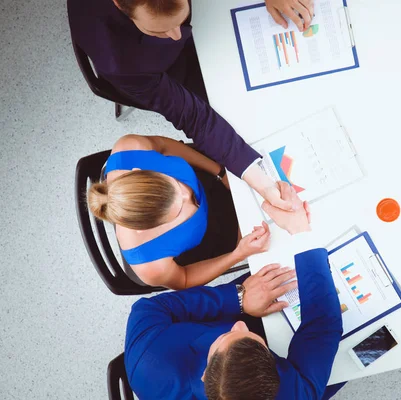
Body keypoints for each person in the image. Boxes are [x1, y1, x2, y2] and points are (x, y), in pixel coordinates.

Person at [67, 0, 314, 219]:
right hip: (162, 70)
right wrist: (264, 186)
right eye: (159, 29)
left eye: (178, 21)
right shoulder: (119, 61)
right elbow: (195, 118)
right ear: (120, 5)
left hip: (209, 21)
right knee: (246, 114)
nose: (177, 35)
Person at [124, 182, 345, 400]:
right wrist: (301, 232)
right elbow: (323, 325)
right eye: (247, 335)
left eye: (226, 336)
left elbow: (151, 308)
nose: (240, 324)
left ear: (204, 375)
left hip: (224, 307)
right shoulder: (288, 395)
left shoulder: (147, 356)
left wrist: (238, 300)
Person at [87, 134, 273, 289]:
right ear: (144, 230)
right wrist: (237, 254)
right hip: (217, 233)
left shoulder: (131, 149)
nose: (188, 194)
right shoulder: (149, 264)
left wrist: (220, 173)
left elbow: (164, 146)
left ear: (138, 170)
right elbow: (184, 278)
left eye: (174, 183)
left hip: (210, 179)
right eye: (177, 210)